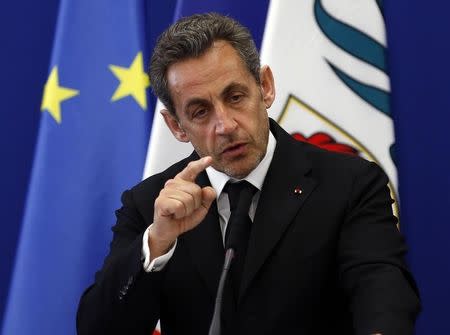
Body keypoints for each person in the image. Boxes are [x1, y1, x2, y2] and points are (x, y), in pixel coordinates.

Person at [77, 13, 420, 335]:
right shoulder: (150, 205)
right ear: (176, 126)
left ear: (265, 87)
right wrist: (157, 243)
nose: (225, 125)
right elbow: (99, 328)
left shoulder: (350, 184)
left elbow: (382, 290)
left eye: (236, 96)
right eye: (200, 112)